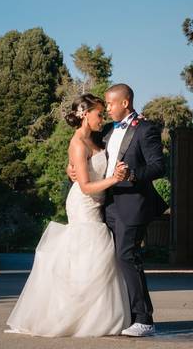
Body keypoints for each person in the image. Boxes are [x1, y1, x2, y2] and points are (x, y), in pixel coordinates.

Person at [5, 93, 131, 337]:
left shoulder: (96, 138)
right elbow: (84, 186)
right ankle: (73, 316)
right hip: (84, 203)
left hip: (97, 202)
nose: (102, 117)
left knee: (96, 257)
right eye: (98, 113)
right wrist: (114, 178)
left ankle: (96, 316)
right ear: (85, 114)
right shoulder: (77, 144)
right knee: (88, 252)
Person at [68, 83, 167, 337]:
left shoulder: (146, 129)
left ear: (125, 103)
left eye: (110, 104)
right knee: (110, 262)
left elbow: (158, 167)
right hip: (106, 206)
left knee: (127, 256)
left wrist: (132, 175)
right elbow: (88, 155)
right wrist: (71, 170)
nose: (107, 109)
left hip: (134, 205)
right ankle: (123, 315)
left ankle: (144, 319)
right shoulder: (108, 131)